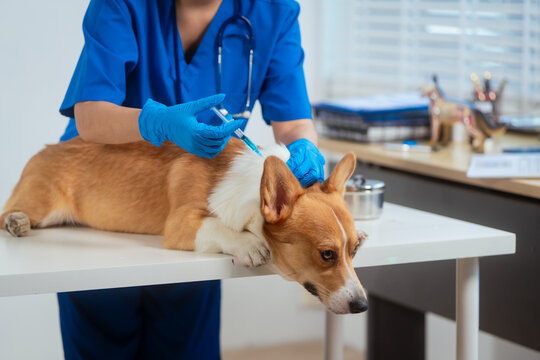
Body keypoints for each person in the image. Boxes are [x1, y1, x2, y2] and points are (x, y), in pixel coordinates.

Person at [57, 0, 325, 358]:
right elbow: (90, 116)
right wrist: (158, 123)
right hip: (104, 204)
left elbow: (292, 122)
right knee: (104, 333)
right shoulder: (121, 4)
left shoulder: (272, 10)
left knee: (185, 343)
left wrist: (305, 146)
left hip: (197, 215)